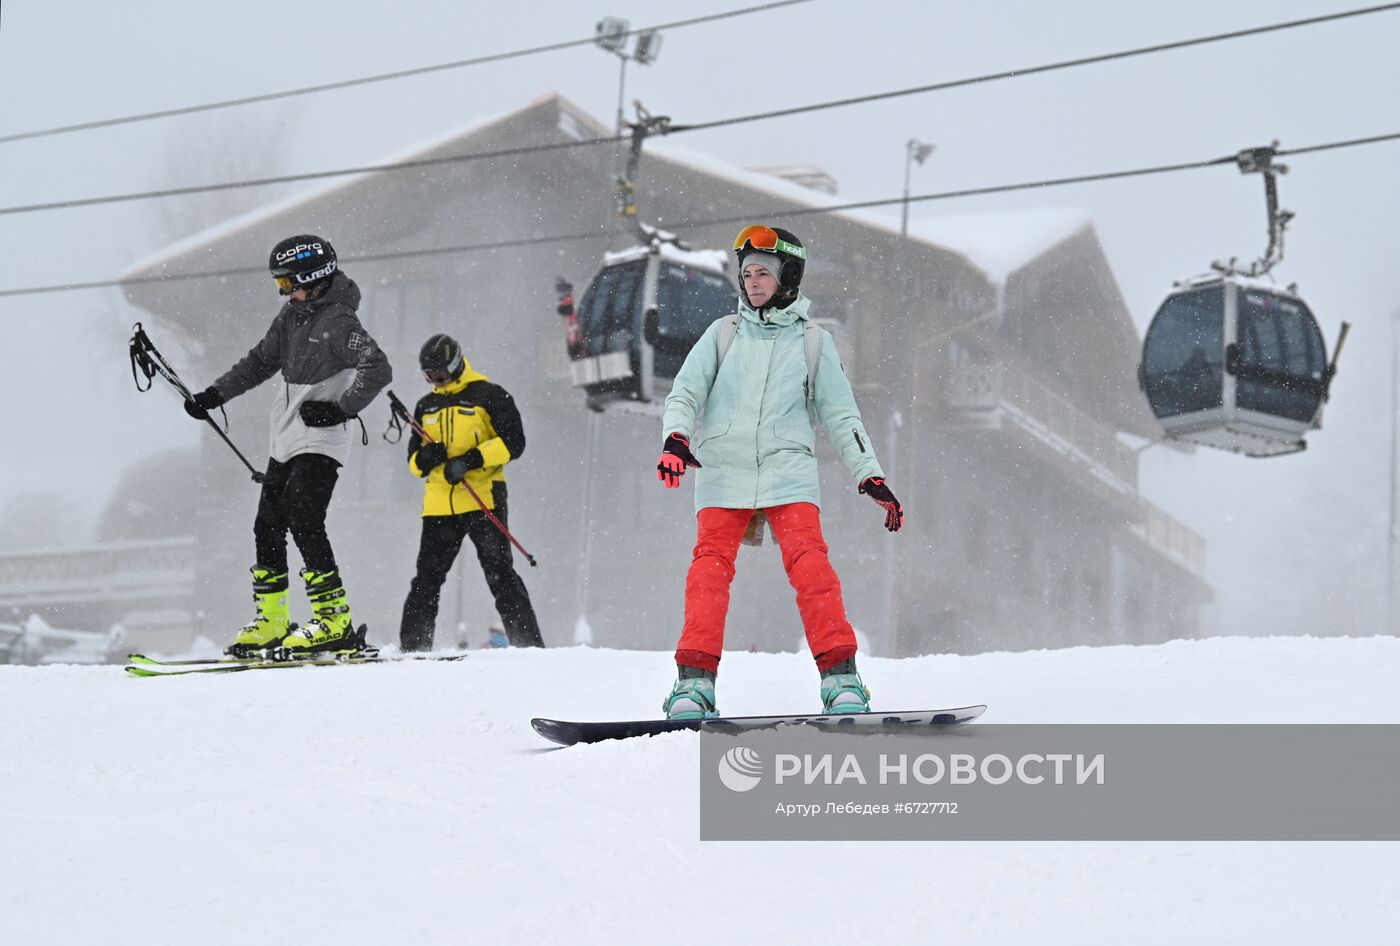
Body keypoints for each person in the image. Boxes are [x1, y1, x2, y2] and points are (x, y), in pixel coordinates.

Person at [656, 225, 904, 719]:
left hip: (788, 474)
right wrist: (677, 436)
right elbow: (685, 392)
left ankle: (842, 681)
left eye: (763, 273)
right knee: (708, 573)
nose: (752, 282)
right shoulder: (722, 334)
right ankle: (693, 686)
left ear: (788, 276)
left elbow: (842, 416)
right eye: (746, 273)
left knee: (812, 569)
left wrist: (869, 474)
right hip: (723, 471)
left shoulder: (813, 342)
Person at [182, 235, 391, 656]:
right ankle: (273, 621)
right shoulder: (291, 316)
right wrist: (213, 395)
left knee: (304, 520)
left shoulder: (338, 322)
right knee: (267, 525)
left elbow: (378, 366)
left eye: (287, 283)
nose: (284, 292)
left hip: (322, 437)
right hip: (287, 436)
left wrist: (341, 409)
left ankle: (334, 620)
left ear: (313, 278)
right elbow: (260, 361)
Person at [398, 334, 544, 651]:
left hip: (483, 499)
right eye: (428, 377)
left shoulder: (489, 395)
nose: (435, 382)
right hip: (438, 507)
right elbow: (413, 462)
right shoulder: (426, 405)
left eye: (440, 375)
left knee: (501, 576)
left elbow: (514, 443)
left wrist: (471, 460)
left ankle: (529, 647)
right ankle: (412, 649)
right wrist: (426, 458)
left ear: (456, 365)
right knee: (426, 580)